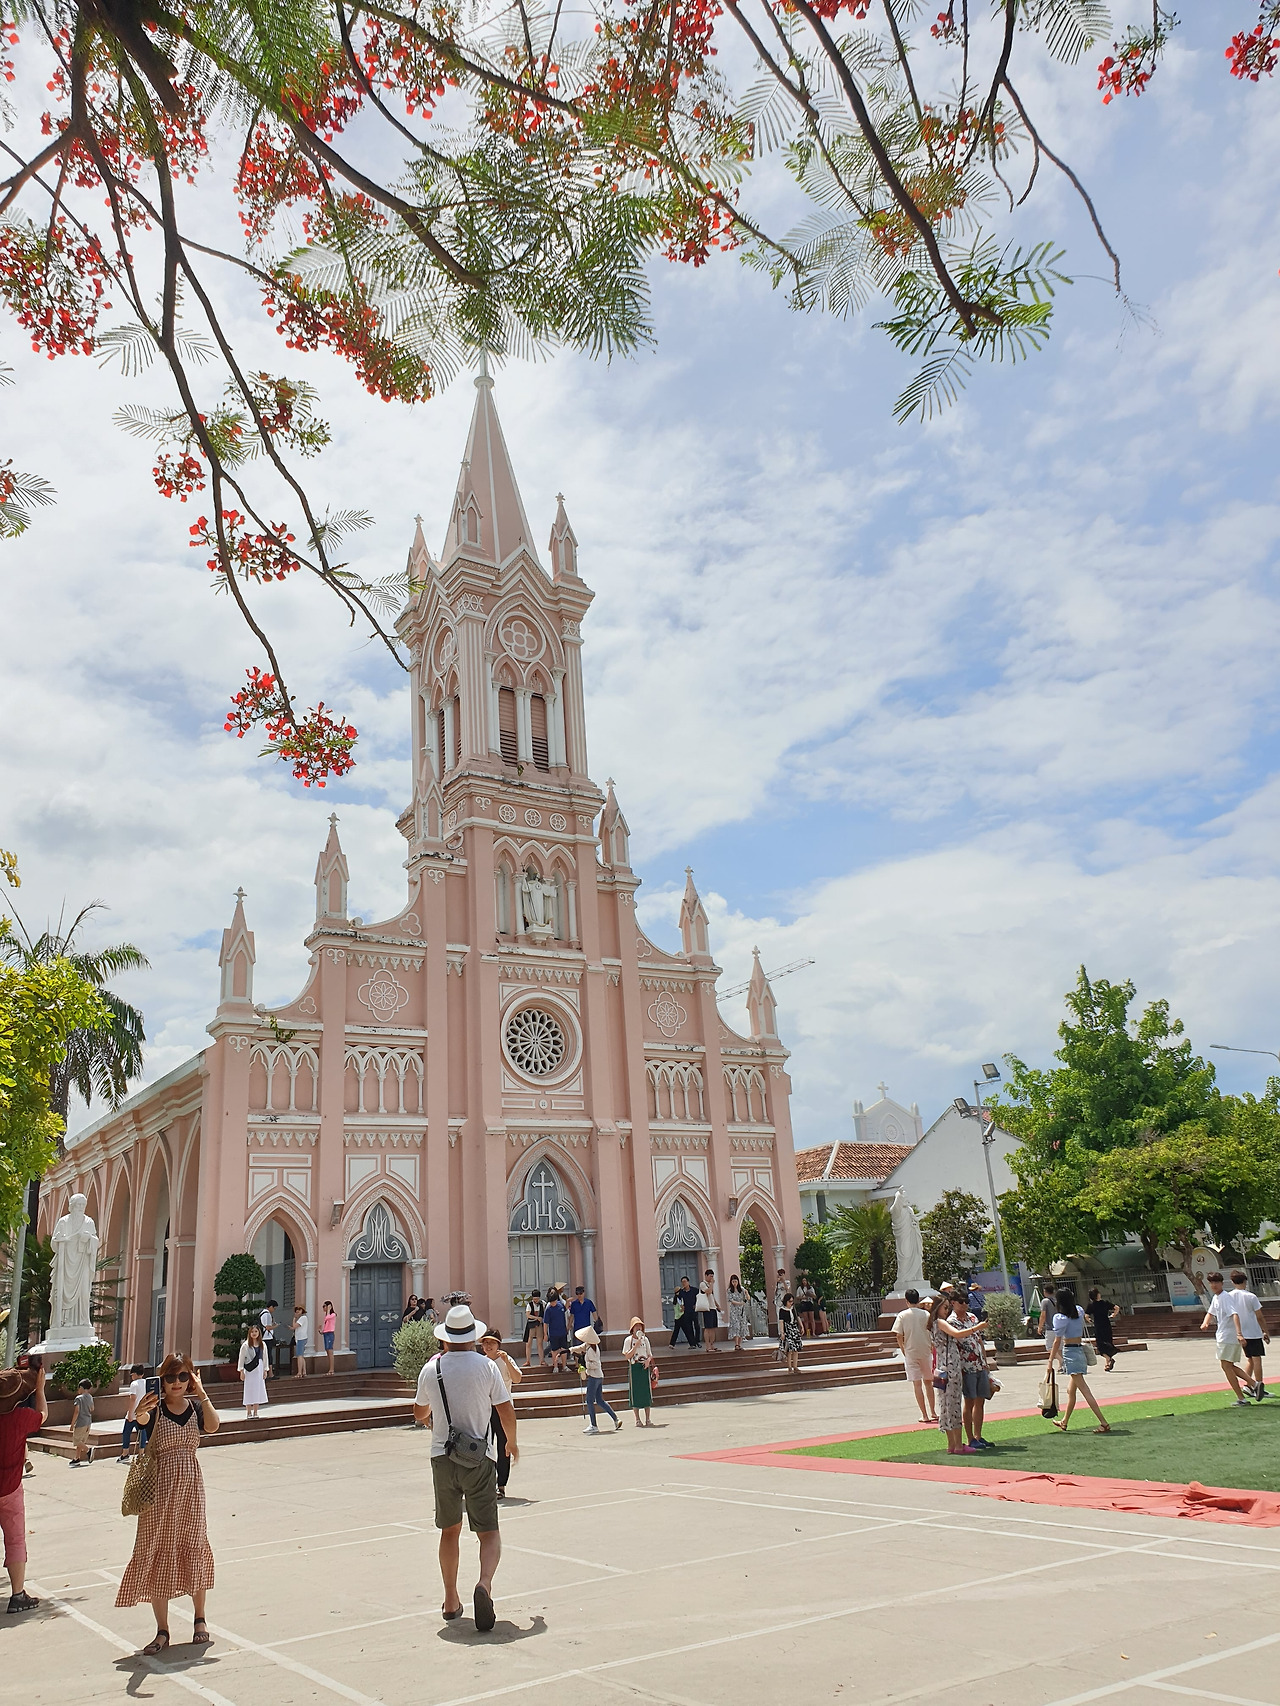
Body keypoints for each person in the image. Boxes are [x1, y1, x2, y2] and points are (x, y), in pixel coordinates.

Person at [413, 1305, 517, 1632]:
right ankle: (484, 1584)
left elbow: (418, 1413)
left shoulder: (432, 1369)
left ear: (445, 1339)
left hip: (442, 1458)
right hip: (479, 1459)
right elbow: (505, 1410)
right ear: (473, 1337)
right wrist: (512, 1443)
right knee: (488, 1532)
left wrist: (434, 1411)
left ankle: (450, 1600)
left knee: (449, 1530)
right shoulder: (487, 1366)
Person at [116, 1352, 220, 1652]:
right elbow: (142, 1420)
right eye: (171, 1377)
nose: (177, 1382)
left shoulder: (196, 1407)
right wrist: (140, 1411)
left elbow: (213, 1426)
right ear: (162, 1380)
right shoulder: (156, 1409)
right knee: (155, 1549)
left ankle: (200, 1619)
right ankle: (162, 1629)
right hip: (159, 1490)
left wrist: (202, 1393)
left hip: (190, 1489)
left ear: (191, 1378)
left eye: (183, 1376)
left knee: (193, 1544)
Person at [1, 1362, 48, 1612]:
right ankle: (17, 1595)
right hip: (10, 1488)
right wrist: (39, 1389)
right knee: (15, 1540)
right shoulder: (20, 1418)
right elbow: (43, 1415)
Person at [928, 1293, 989, 1453]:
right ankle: (957, 1445)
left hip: (941, 1366)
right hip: (950, 1366)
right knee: (952, 1405)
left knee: (945, 1405)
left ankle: (952, 1445)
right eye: (945, 1307)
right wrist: (977, 1327)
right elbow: (957, 1334)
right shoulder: (940, 1322)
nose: (947, 1310)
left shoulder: (934, 1324)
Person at [1046, 1286, 1111, 1433]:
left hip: (1070, 1352)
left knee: (1085, 1390)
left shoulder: (1060, 1318)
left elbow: (1057, 1341)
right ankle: (1064, 1421)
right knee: (1071, 1390)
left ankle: (1103, 1422)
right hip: (1079, 1350)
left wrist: (1050, 1361)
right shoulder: (1079, 1311)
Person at [480, 1330, 523, 1498]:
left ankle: (501, 1485)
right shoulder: (480, 1362)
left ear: (498, 1344)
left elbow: (517, 1379)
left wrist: (506, 1361)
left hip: (503, 1409)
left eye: (492, 1342)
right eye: (485, 1343)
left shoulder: (506, 1359)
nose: (488, 1346)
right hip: (485, 1409)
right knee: (485, 1447)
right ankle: (486, 1482)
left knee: (504, 1447)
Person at [1201, 1272, 1252, 1404]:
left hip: (1227, 1336)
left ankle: (1243, 1395)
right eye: (1211, 1282)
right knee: (1228, 1365)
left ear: (1222, 1283)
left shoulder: (1225, 1297)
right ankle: (1252, 1386)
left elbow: (1234, 1314)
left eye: (1216, 1282)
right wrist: (1205, 1323)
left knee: (1226, 1366)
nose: (1214, 1285)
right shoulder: (1216, 1297)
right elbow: (1210, 1312)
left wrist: (1239, 1333)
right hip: (1223, 1335)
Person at [951, 1293, 993, 1449]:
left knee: (980, 1400)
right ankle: (970, 1438)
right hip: (965, 1366)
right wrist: (977, 1327)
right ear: (953, 1302)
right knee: (969, 1401)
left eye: (966, 1301)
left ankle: (978, 1436)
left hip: (979, 1364)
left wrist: (985, 1361)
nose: (964, 1304)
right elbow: (960, 1336)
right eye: (961, 1301)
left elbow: (978, 1340)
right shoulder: (952, 1321)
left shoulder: (972, 1317)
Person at [893, 1289, 937, 1424]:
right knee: (928, 1382)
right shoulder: (926, 1314)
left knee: (917, 1384)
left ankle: (924, 1415)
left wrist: (903, 1349)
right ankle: (933, 1412)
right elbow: (932, 1332)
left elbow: (898, 1335)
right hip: (925, 1350)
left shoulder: (902, 1315)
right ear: (918, 1300)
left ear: (906, 1301)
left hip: (911, 1351)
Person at [1228, 1269, 1271, 1399]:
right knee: (1257, 1359)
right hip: (1252, 1332)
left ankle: (1248, 1385)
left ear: (1232, 1282)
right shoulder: (1251, 1296)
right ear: (1245, 1281)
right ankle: (1259, 1387)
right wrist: (1265, 1331)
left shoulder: (1229, 1296)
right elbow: (1260, 1316)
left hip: (1239, 1332)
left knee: (1250, 1360)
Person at [575, 1325, 621, 1433]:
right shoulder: (589, 1346)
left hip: (594, 1377)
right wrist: (569, 1350)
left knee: (589, 1400)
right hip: (599, 1376)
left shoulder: (592, 1350)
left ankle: (594, 1425)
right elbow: (580, 1348)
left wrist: (585, 1366)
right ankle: (616, 1419)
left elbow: (595, 1364)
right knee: (600, 1400)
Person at [622, 1317, 655, 1425]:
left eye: (640, 1326)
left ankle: (648, 1419)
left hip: (644, 1367)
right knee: (635, 1393)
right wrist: (636, 1345)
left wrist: (648, 1361)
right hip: (634, 1366)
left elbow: (650, 1354)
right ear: (632, 1328)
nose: (638, 1328)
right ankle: (637, 1419)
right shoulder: (628, 1340)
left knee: (646, 1393)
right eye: (636, 1326)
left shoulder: (645, 1340)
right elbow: (627, 1355)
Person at [237, 1322, 271, 1419]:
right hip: (249, 1370)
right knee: (249, 1390)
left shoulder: (262, 1344)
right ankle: (248, 1412)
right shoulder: (245, 1345)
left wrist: (265, 1370)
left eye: (256, 1331)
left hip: (259, 1369)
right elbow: (241, 1359)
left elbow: (265, 1358)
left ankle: (255, 1411)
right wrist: (241, 1371)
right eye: (252, 1332)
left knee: (258, 1389)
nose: (254, 1333)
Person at [1085, 1288, 1120, 1373]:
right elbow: (1117, 1308)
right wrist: (1113, 1315)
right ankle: (1108, 1362)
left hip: (1098, 1326)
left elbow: (1086, 1315)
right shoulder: (1105, 1303)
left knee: (1100, 1345)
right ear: (1098, 1294)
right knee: (1108, 1343)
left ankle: (1108, 1360)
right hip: (1106, 1325)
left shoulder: (1091, 1305)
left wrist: (1090, 1320)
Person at [121, 1364, 150, 1465]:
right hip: (143, 1413)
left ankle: (125, 1453)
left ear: (135, 1374)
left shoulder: (134, 1384)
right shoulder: (146, 1383)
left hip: (134, 1413)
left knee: (126, 1432)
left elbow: (133, 1399)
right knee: (142, 1433)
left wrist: (130, 1413)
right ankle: (141, 1454)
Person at [69, 1378, 95, 1467]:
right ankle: (76, 1458)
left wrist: (72, 1424)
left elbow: (76, 1411)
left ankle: (88, 1450)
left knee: (76, 1441)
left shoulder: (78, 1398)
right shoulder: (90, 1397)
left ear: (81, 1387)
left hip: (81, 1422)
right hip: (88, 1422)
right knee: (81, 1441)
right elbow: (92, 1409)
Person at [544, 1288, 570, 1373]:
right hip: (553, 1333)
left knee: (563, 1349)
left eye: (554, 1301)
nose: (553, 1303)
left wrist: (568, 1302)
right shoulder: (548, 1309)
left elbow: (565, 1310)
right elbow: (545, 1322)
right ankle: (555, 1366)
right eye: (551, 1302)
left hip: (562, 1332)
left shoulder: (560, 1305)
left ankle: (564, 1366)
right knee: (554, 1350)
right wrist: (545, 1334)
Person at [670, 1276, 699, 1349]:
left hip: (694, 1311)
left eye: (685, 1282)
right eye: (682, 1282)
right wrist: (681, 1305)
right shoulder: (681, 1292)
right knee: (689, 1328)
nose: (684, 1283)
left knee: (697, 1326)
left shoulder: (695, 1290)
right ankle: (692, 1343)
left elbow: (699, 1297)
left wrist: (697, 1304)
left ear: (688, 1282)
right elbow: (678, 1299)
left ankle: (697, 1340)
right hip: (686, 1312)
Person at [778, 1292, 802, 1373]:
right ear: (786, 1301)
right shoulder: (782, 1310)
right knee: (789, 1350)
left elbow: (797, 1317)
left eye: (792, 1301)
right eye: (790, 1301)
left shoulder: (793, 1308)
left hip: (794, 1329)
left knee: (796, 1349)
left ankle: (795, 1366)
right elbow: (781, 1322)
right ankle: (789, 1367)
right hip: (787, 1330)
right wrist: (782, 1332)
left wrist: (801, 1326)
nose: (791, 1303)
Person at [697, 1269, 720, 1353]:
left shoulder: (710, 1285)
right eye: (710, 1276)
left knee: (713, 1328)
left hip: (713, 1308)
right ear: (706, 1276)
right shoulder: (703, 1284)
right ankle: (707, 1346)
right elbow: (709, 1292)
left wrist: (717, 1305)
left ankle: (712, 1344)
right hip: (707, 1308)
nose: (711, 1278)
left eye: (712, 1276)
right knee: (708, 1328)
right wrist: (712, 1284)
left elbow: (712, 1296)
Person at [726, 1276, 751, 1351]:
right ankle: (736, 1344)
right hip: (734, 1310)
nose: (734, 1283)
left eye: (736, 1281)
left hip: (741, 1311)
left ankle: (739, 1344)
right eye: (733, 1282)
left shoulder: (742, 1289)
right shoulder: (730, 1290)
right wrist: (739, 1303)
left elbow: (748, 1298)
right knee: (736, 1326)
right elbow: (731, 1300)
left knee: (741, 1326)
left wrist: (747, 1293)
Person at [522, 1290, 546, 1368]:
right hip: (531, 1325)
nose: (535, 1300)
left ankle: (542, 1360)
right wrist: (537, 1318)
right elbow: (528, 1315)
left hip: (539, 1325)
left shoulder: (543, 1304)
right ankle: (528, 1361)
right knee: (528, 1343)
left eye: (537, 1299)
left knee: (540, 1343)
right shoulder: (530, 1305)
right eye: (534, 1299)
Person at [293, 1304, 309, 1378]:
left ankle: (299, 1372)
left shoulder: (302, 1318)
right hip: (302, 1338)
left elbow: (294, 1326)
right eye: (296, 1311)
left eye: (299, 1310)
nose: (297, 1312)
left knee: (299, 1355)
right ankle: (304, 1371)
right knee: (301, 1356)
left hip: (300, 1338)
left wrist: (294, 1319)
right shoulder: (303, 1318)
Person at [321, 1300, 337, 1375]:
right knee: (327, 1351)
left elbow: (327, 1318)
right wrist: (321, 1330)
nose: (323, 1308)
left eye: (324, 1306)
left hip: (330, 1334)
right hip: (326, 1333)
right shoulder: (327, 1315)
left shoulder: (333, 1315)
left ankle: (332, 1369)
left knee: (330, 1351)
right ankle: (330, 1369)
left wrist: (328, 1310)